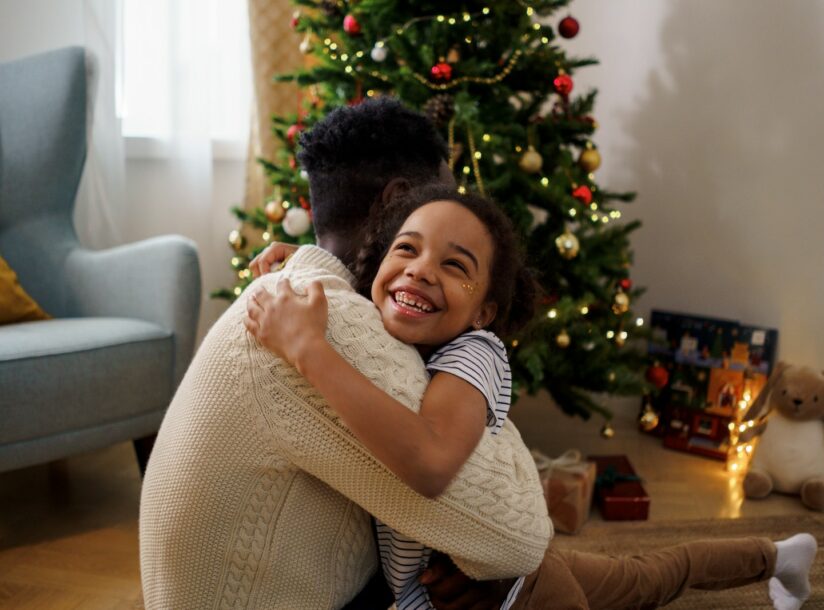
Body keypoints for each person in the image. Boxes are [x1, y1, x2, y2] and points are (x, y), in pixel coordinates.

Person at [247, 185, 818, 610]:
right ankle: (783, 556)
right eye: (406, 249)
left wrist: (307, 348)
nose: (420, 271)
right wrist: (303, 259)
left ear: (483, 313)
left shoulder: (476, 353)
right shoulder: (384, 332)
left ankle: (778, 559)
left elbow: (429, 461)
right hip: (477, 577)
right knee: (650, 575)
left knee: (648, 583)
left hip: (519, 593)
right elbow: (369, 295)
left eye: (454, 266)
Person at [138, 98, 552, 610]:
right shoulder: (325, 326)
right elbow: (522, 538)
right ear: (399, 202)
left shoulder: (301, 295)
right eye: (445, 196)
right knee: (546, 577)